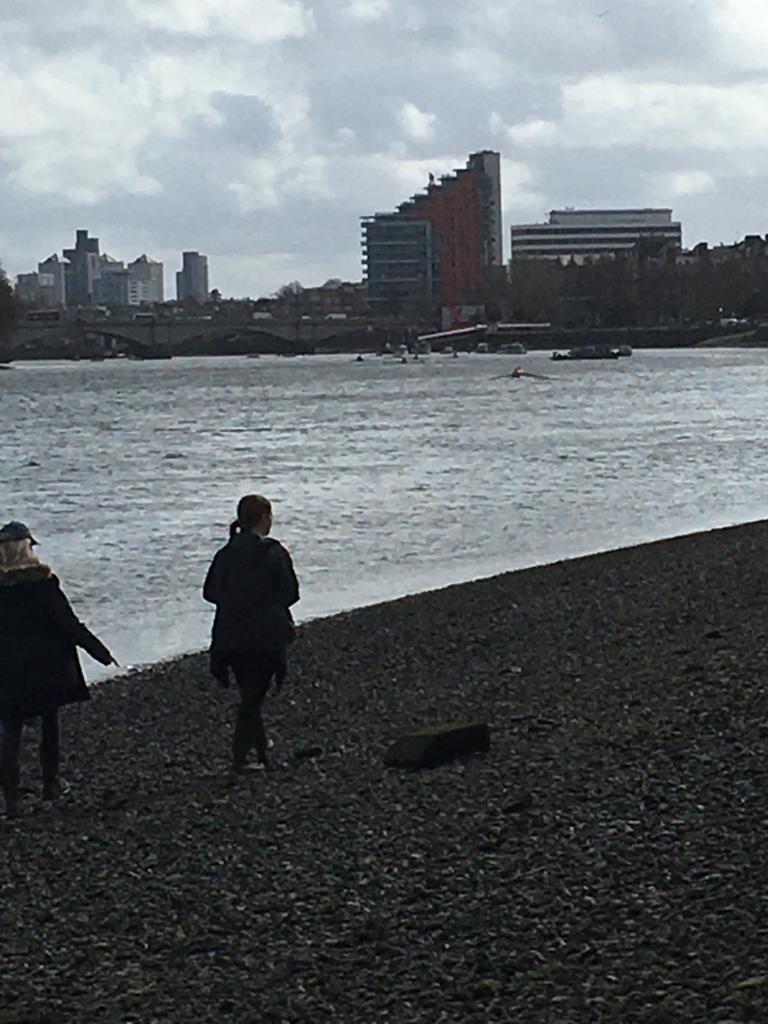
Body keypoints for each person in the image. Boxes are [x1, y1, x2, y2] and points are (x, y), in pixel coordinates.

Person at [0, 521, 116, 819]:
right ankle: (50, 783)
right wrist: (98, 651)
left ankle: (10, 799)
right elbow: (67, 623)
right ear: (27, 548)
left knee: (10, 729)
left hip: (7, 669)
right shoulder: (43, 583)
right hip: (45, 668)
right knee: (49, 723)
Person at [203, 494, 299, 774]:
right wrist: (267, 605)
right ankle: (240, 759)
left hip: (230, 635)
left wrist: (235, 602)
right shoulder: (274, 553)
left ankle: (261, 756)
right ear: (264, 518)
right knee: (252, 698)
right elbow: (291, 593)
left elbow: (210, 592)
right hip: (266, 636)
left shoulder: (225, 554)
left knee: (250, 694)